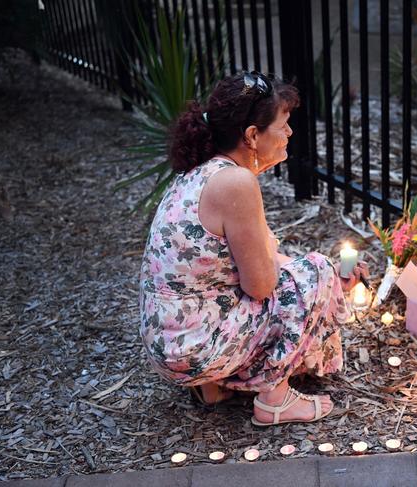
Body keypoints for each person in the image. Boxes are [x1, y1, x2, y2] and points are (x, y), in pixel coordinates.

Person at [139, 71, 368, 426]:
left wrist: (323, 281)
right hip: (193, 347)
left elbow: (240, 265)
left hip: (169, 339)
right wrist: (322, 280)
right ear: (251, 135)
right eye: (284, 124)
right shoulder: (236, 182)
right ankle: (274, 400)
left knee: (310, 274)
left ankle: (213, 387)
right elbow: (261, 286)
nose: (289, 133)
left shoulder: (204, 169)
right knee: (318, 268)